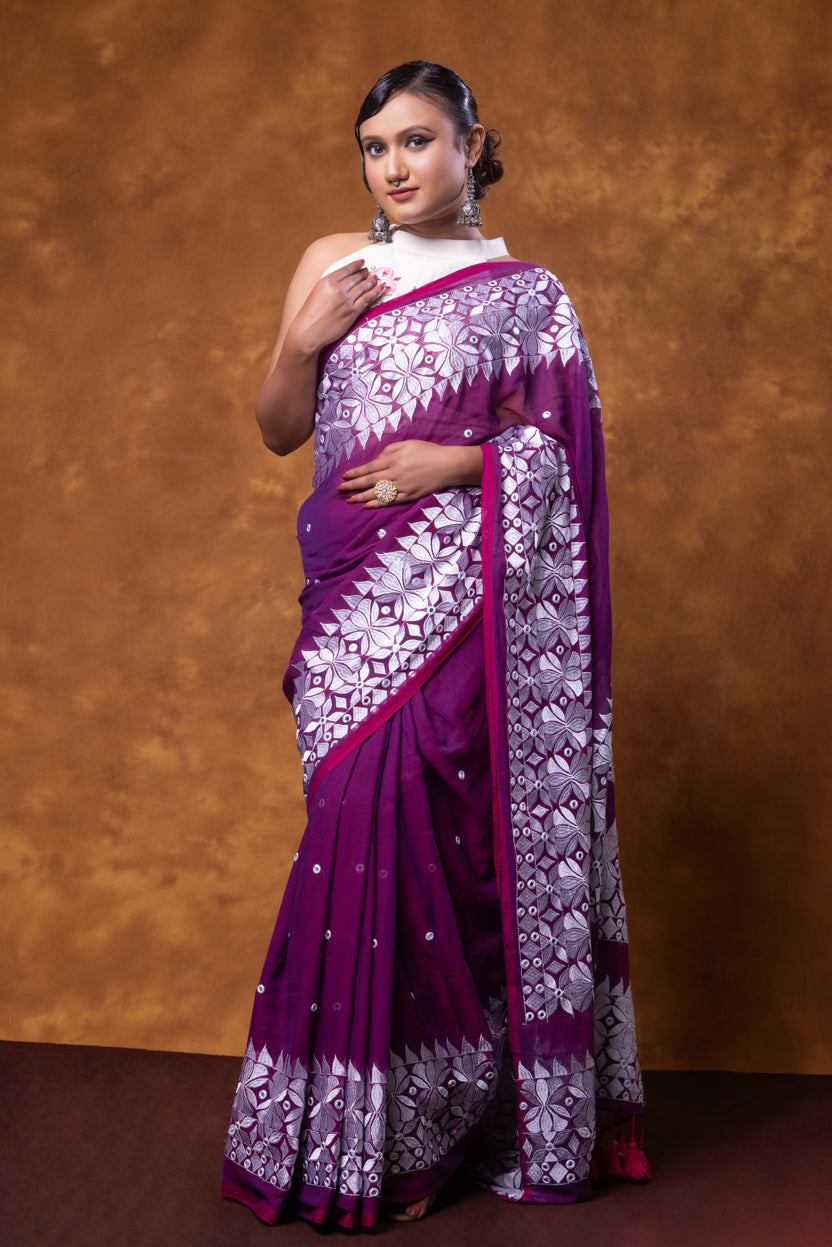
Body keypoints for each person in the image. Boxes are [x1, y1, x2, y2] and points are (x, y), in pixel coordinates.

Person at [222, 60, 649, 1230]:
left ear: (473, 144)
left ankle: (435, 1136)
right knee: (354, 826)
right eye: (374, 148)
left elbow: (568, 462)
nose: (394, 168)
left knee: (449, 855)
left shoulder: (527, 295)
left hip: (470, 605)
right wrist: (301, 341)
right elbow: (275, 431)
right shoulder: (333, 265)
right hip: (351, 602)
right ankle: (347, 1133)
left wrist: (456, 462)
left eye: (417, 141)